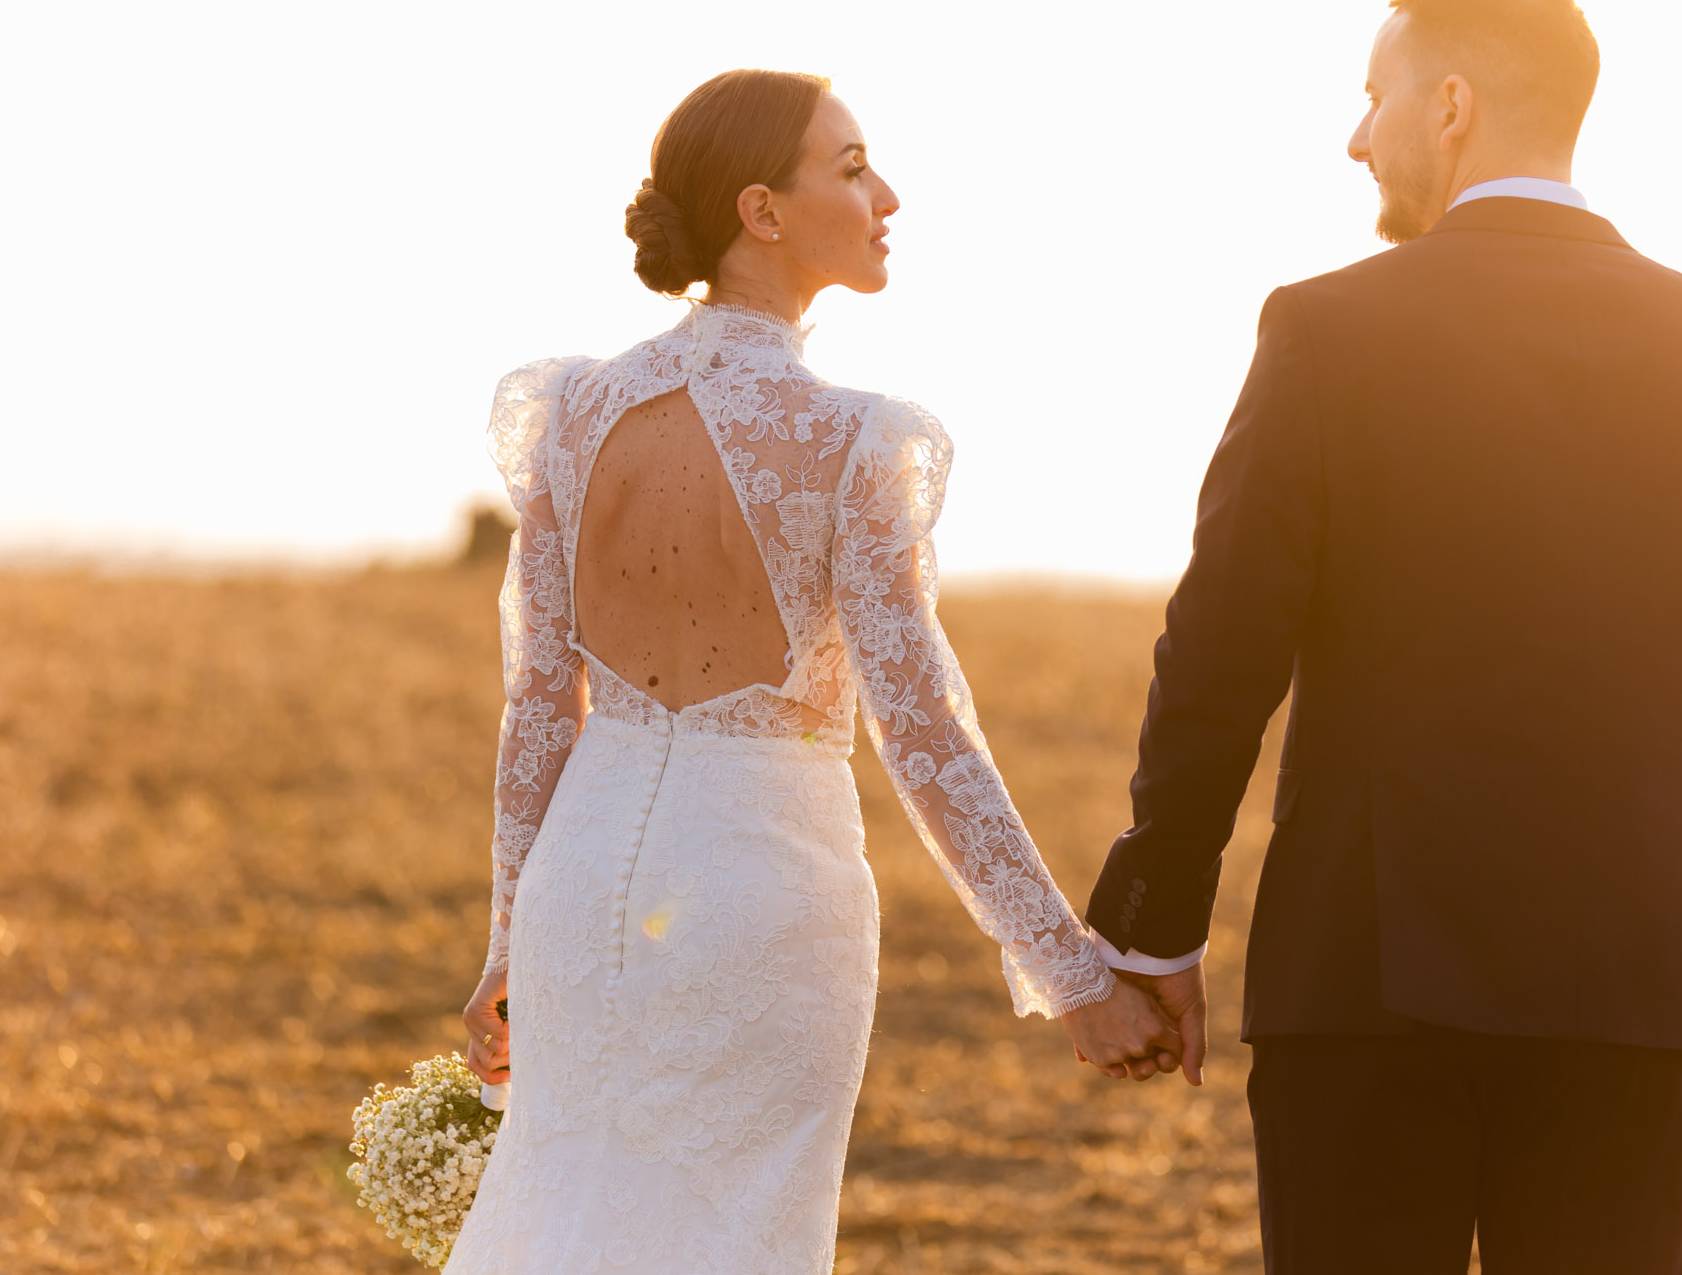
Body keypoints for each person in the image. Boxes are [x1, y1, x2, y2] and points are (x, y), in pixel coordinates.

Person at [1082, 0, 1682, 1273]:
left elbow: (1219, 652)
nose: (1353, 134)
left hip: (1368, 991)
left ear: (1450, 107)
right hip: (1642, 995)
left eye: (1369, 96)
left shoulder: (1326, 329)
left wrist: (1153, 925)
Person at [444, 69, 1179, 1274]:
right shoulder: (856, 438)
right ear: (760, 212)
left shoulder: (572, 411)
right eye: (849, 167)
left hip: (580, 894)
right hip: (759, 898)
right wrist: (1068, 970)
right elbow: (923, 729)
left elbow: (539, 711)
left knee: (566, 1223)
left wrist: (509, 944)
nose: (884, 194)